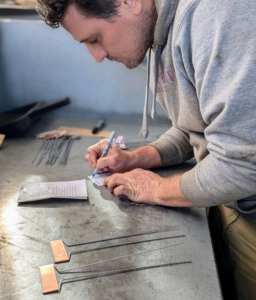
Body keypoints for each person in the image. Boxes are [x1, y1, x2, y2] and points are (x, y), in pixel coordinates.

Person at [37, 0, 256, 299]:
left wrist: (155, 189)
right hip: (230, 202)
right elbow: (196, 125)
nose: (97, 56)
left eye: (94, 38)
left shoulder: (220, 16)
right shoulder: (160, 32)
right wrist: (136, 158)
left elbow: (244, 164)